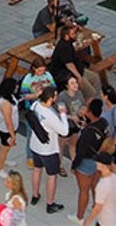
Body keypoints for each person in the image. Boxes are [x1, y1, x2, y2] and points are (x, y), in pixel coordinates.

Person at [30, 86, 71, 215]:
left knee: (37, 170)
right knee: (52, 176)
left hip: (35, 145)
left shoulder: (36, 105)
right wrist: (63, 114)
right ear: (51, 98)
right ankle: (50, 203)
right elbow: (64, 131)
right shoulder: (49, 115)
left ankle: (35, 195)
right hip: (49, 150)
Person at [83, 155, 116, 226]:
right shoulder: (115, 177)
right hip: (113, 215)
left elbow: (98, 207)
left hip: (105, 220)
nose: (96, 163)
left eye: (98, 162)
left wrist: (87, 222)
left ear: (103, 165)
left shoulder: (102, 185)